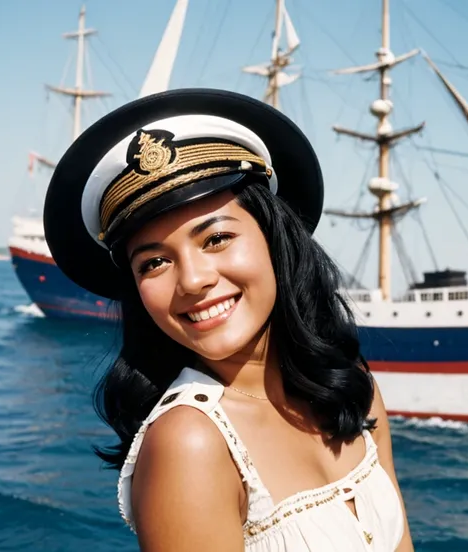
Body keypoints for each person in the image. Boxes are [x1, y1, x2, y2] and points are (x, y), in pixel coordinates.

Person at [43, 88, 414, 551]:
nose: (193, 280)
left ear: (275, 237)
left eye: (216, 238)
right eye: (153, 263)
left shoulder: (350, 384)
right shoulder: (190, 441)